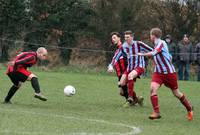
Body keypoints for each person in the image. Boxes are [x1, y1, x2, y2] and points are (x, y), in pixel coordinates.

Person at [137, 28, 193, 120]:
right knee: (152, 89)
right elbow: (166, 56)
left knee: (176, 93)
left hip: (169, 73)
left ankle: (189, 109)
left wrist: (142, 54)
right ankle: (156, 112)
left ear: (153, 36)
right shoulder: (156, 44)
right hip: (158, 73)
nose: (150, 37)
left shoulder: (161, 43)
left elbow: (155, 53)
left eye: (150, 35)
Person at [111, 30, 153, 106]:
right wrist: (111, 65)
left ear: (132, 37)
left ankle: (130, 98)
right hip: (129, 68)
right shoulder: (124, 46)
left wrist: (145, 54)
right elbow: (116, 56)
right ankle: (137, 99)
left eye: (128, 37)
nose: (126, 39)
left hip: (139, 66)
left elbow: (153, 51)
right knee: (122, 83)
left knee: (130, 76)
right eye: (125, 37)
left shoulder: (139, 44)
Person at [107, 32, 128, 101]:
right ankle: (136, 99)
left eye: (114, 37)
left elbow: (116, 58)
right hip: (119, 72)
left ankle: (131, 101)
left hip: (124, 71)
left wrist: (111, 66)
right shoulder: (118, 48)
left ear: (119, 38)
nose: (113, 39)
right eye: (112, 38)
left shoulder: (122, 47)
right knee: (122, 92)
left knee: (123, 88)